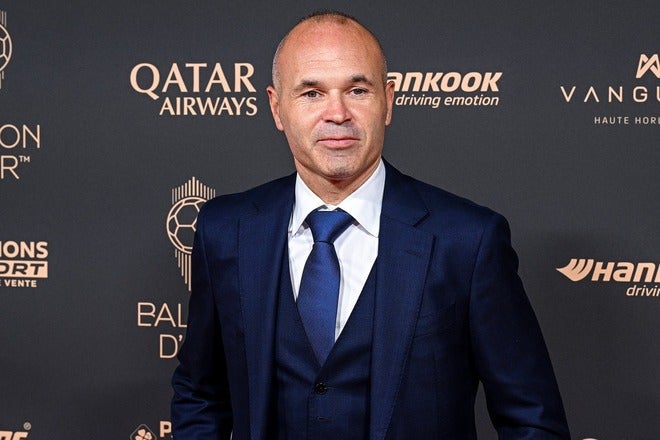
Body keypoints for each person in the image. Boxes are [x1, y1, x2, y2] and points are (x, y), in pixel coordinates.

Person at [171, 10, 570, 439]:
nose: (337, 113)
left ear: (388, 101)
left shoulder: (468, 240)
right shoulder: (225, 231)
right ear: (276, 107)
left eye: (357, 90)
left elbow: (532, 419)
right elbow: (201, 395)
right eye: (311, 93)